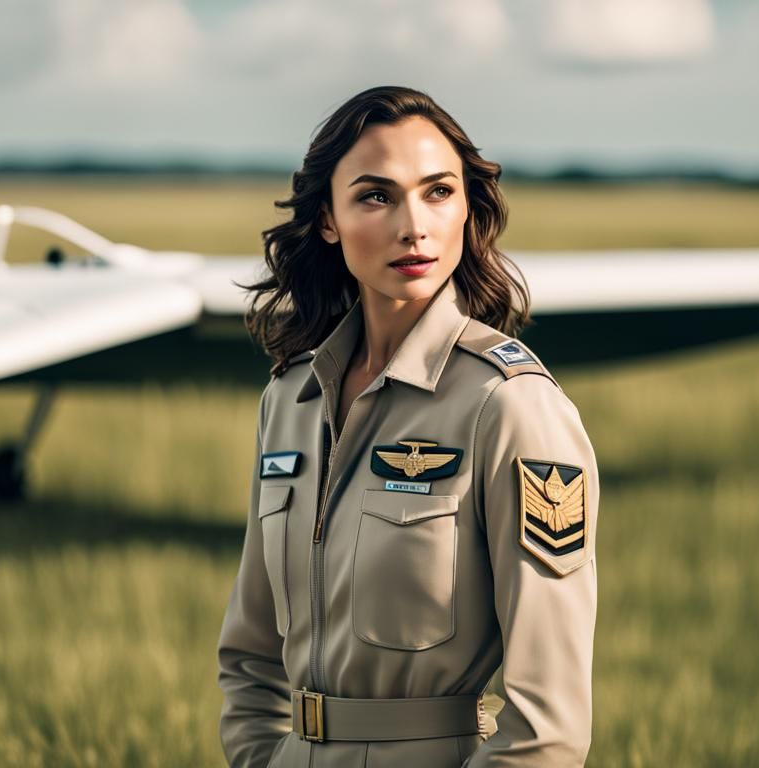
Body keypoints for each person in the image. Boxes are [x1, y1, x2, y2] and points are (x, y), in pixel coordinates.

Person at [217, 85, 600, 768]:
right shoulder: (289, 398)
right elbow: (249, 658)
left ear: (466, 209)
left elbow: (550, 726)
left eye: (438, 193)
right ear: (328, 220)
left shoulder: (509, 405)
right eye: (376, 196)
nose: (414, 226)